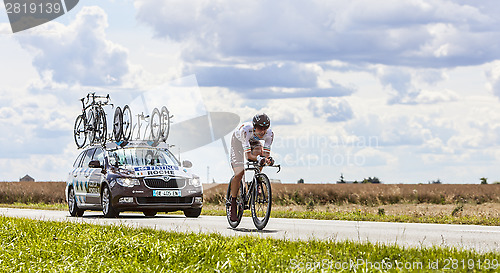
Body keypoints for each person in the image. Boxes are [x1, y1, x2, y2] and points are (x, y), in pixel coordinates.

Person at [229, 113, 274, 222]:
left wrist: (267, 160)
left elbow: (266, 155)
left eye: (265, 128)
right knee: (239, 173)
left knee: (260, 152)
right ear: (254, 126)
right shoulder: (246, 130)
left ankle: (257, 180)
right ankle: (233, 202)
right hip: (238, 143)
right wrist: (259, 159)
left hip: (253, 142)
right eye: (260, 128)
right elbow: (248, 156)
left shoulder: (270, 134)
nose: (262, 131)